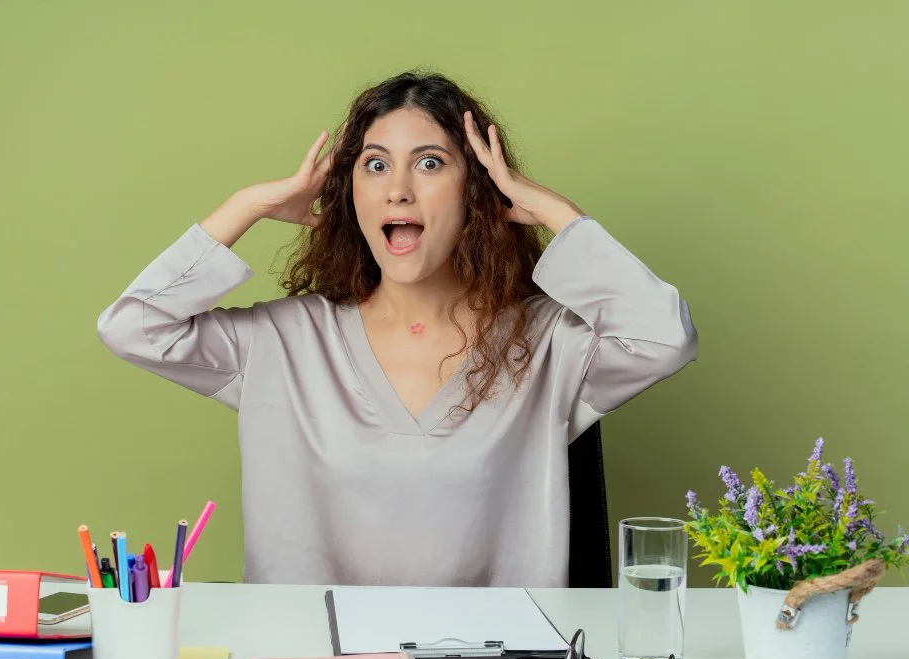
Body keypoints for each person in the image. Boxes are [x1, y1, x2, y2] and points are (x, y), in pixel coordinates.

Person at [97, 71, 698, 588]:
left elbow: (665, 339)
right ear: (349, 192)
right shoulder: (280, 343)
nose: (398, 189)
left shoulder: (547, 345)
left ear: (478, 190)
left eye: (430, 164)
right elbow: (133, 327)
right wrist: (248, 205)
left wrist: (560, 215)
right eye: (375, 164)